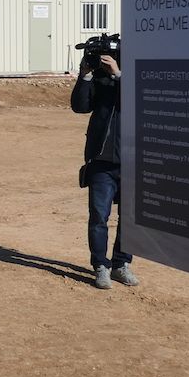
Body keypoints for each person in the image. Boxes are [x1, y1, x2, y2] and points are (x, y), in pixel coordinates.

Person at [70, 34, 139, 290]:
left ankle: (122, 264)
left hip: (132, 160)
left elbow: (137, 102)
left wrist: (119, 74)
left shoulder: (134, 75)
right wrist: (86, 75)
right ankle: (101, 266)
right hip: (101, 160)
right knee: (99, 216)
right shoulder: (97, 76)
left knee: (130, 219)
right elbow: (79, 106)